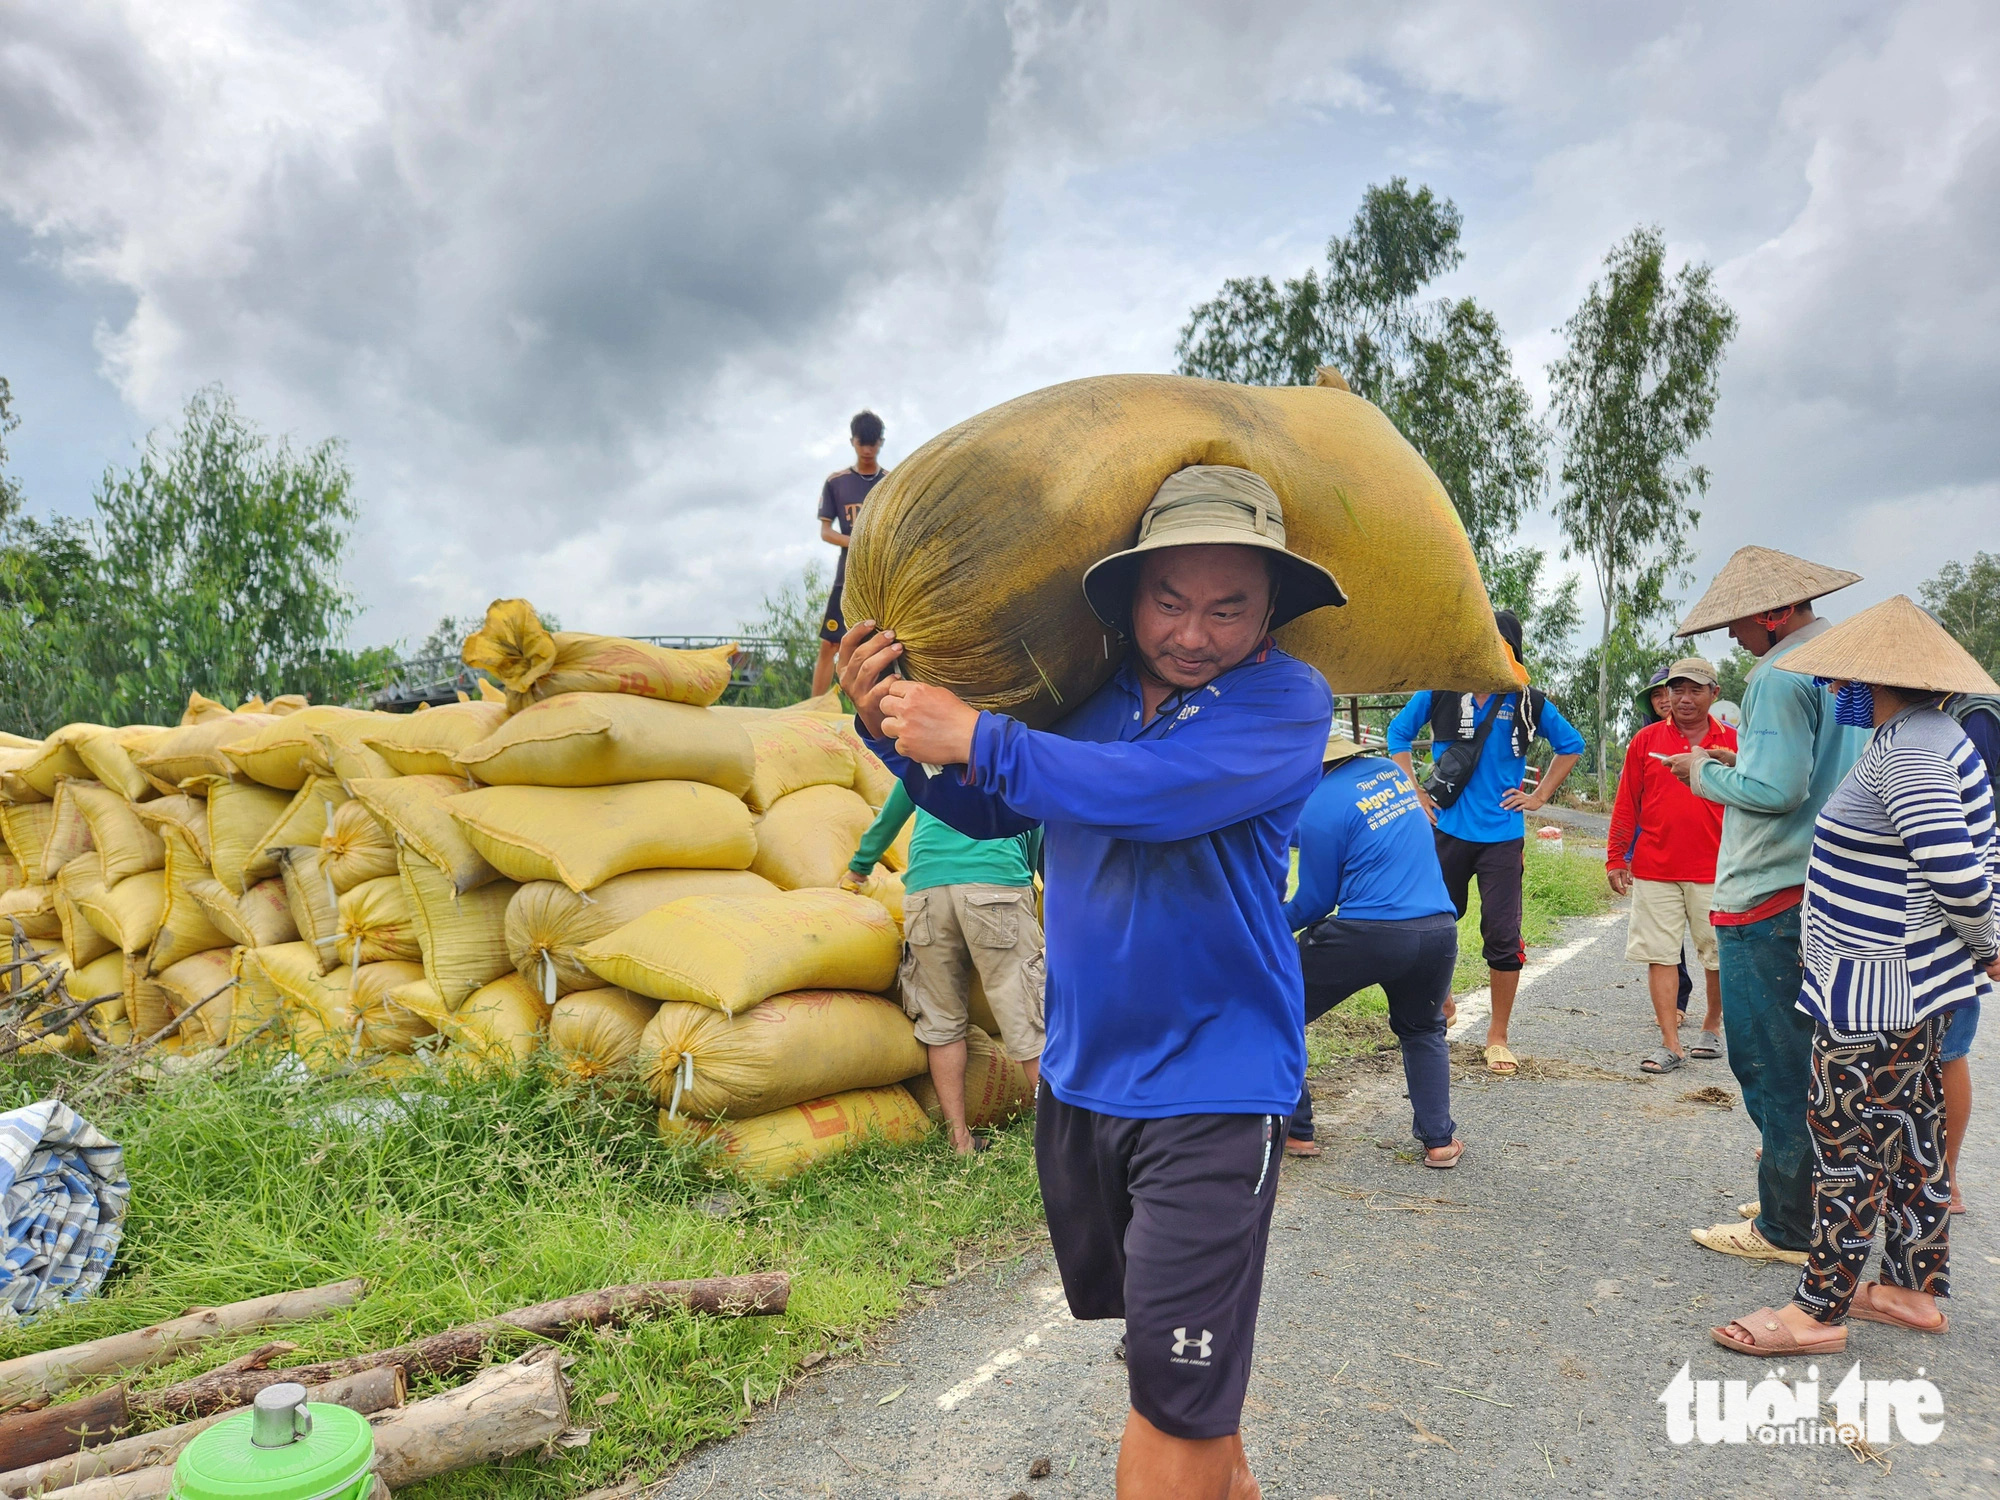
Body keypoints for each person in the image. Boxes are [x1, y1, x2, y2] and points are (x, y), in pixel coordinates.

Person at [839, 464, 1338, 1500]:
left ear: (1271, 610)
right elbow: (992, 811)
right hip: (1083, 1078)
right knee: (1170, 1356)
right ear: (1128, 594)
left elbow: (1151, 794)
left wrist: (980, 734)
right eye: (1169, 600)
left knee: (1171, 1386)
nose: (1193, 633)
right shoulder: (1086, 697)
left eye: (1227, 607)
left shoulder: (1283, 701)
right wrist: (885, 722)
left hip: (1212, 1085)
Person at [1711, 595, 1999, 1355]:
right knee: (1911, 1137)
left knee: (1845, 1142)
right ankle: (1909, 1288)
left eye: (1846, 679)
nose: (1837, 690)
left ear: (1878, 681)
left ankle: (1817, 1310)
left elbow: (1957, 871)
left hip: (1875, 984)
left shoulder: (1908, 753)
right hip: (1908, 978)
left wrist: (1988, 942)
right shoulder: (1933, 734)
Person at [1669, 546, 1871, 1266]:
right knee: (1817, 1060)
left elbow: (1778, 792)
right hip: (1826, 882)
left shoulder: (1777, 676)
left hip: (1770, 888)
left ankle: (1787, 1228)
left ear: (1775, 613)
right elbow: (1815, 773)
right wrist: (1733, 763)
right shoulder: (1847, 666)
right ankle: (1807, 1197)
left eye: (1739, 625)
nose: (1732, 639)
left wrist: (1701, 773)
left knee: (1769, 1063)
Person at [1387, 611, 1586, 1076]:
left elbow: (1570, 744)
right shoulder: (1441, 690)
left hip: (1501, 838)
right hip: (1446, 829)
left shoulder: (1527, 702)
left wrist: (1539, 796)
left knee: (1502, 936)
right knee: (1432, 922)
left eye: (1496, 644)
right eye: (1478, 642)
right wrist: (1413, 791)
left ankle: (1498, 1036)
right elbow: (1398, 733)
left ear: (1511, 652)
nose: (1485, 652)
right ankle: (1443, 998)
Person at [1283, 732, 1461, 1166]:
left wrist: (1263, 926)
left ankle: (1297, 1131)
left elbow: (1315, 901)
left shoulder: (1319, 805)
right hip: (1437, 931)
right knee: (1422, 1030)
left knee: (1275, 1008)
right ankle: (1439, 1142)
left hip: (1369, 934)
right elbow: (1361, 832)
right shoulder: (1390, 774)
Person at [843, 783, 1045, 1155]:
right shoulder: (1009, 750)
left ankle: (960, 1140)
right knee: (1026, 1017)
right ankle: (1056, 1146)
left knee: (941, 1020)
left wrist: (858, 870)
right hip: (997, 882)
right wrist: (1025, 877)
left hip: (926, 891)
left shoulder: (923, 755)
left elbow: (890, 817)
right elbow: (1035, 823)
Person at [1605, 657, 1736, 1073]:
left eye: (1695, 689)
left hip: (1717, 868)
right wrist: (1616, 856)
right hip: (1655, 867)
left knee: (1716, 955)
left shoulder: (1734, 743)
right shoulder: (1645, 740)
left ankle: (1712, 1026)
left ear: (1714, 694)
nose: (1684, 698)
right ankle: (1670, 1042)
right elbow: (1628, 801)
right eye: (1677, 689)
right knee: (1659, 954)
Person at [1941, 688, 2000, 1215]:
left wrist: (1986, 944)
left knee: (1948, 1053)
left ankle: (1948, 1178)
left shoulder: (1964, 725)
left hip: (1949, 928)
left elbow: (1958, 862)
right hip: (1960, 919)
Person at [810, 410, 889, 698]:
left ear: (881, 443)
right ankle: (814, 709)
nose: (867, 450)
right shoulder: (837, 482)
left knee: (885, 648)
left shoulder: (892, 481)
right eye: (861, 443)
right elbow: (826, 532)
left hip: (883, 580)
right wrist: (856, 541)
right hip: (848, 578)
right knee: (830, 644)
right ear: (852, 442)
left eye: (873, 443)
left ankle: (877, 711)